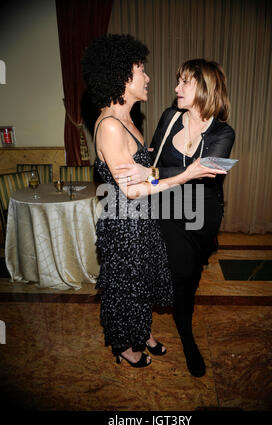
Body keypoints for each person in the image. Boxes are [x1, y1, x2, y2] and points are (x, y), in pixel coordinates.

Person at [82, 37, 223, 369]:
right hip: (126, 222)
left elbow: (144, 168)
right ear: (122, 77)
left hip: (144, 217)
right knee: (127, 285)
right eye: (141, 70)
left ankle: (142, 332)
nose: (147, 77)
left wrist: (154, 166)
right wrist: (185, 175)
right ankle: (125, 347)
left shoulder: (130, 119)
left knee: (144, 278)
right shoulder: (112, 127)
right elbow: (131, 190)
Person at [115, 58, 235, 376]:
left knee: (190, 277)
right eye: (177, 81)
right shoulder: (170, 117)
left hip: (202, 214)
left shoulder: (223, 132)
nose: (176, 88)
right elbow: (154, 155)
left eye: (184, 82)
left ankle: (182, 322)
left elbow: (203, 175)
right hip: (168, 209)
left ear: (205, 89)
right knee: (174, 273)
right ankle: (181, 335)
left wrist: (153, 172)